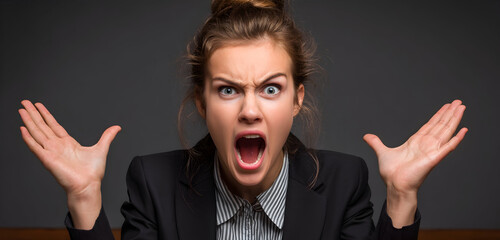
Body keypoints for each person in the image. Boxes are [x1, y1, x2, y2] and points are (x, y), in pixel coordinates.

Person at [18, 0, 467, 239]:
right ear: (201, 102)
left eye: (271, 89)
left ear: (297, 99)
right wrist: (83, 198)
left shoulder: (344, 181)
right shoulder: (152, 183)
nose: (250, 110)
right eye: (228, 90)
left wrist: (402, 197)